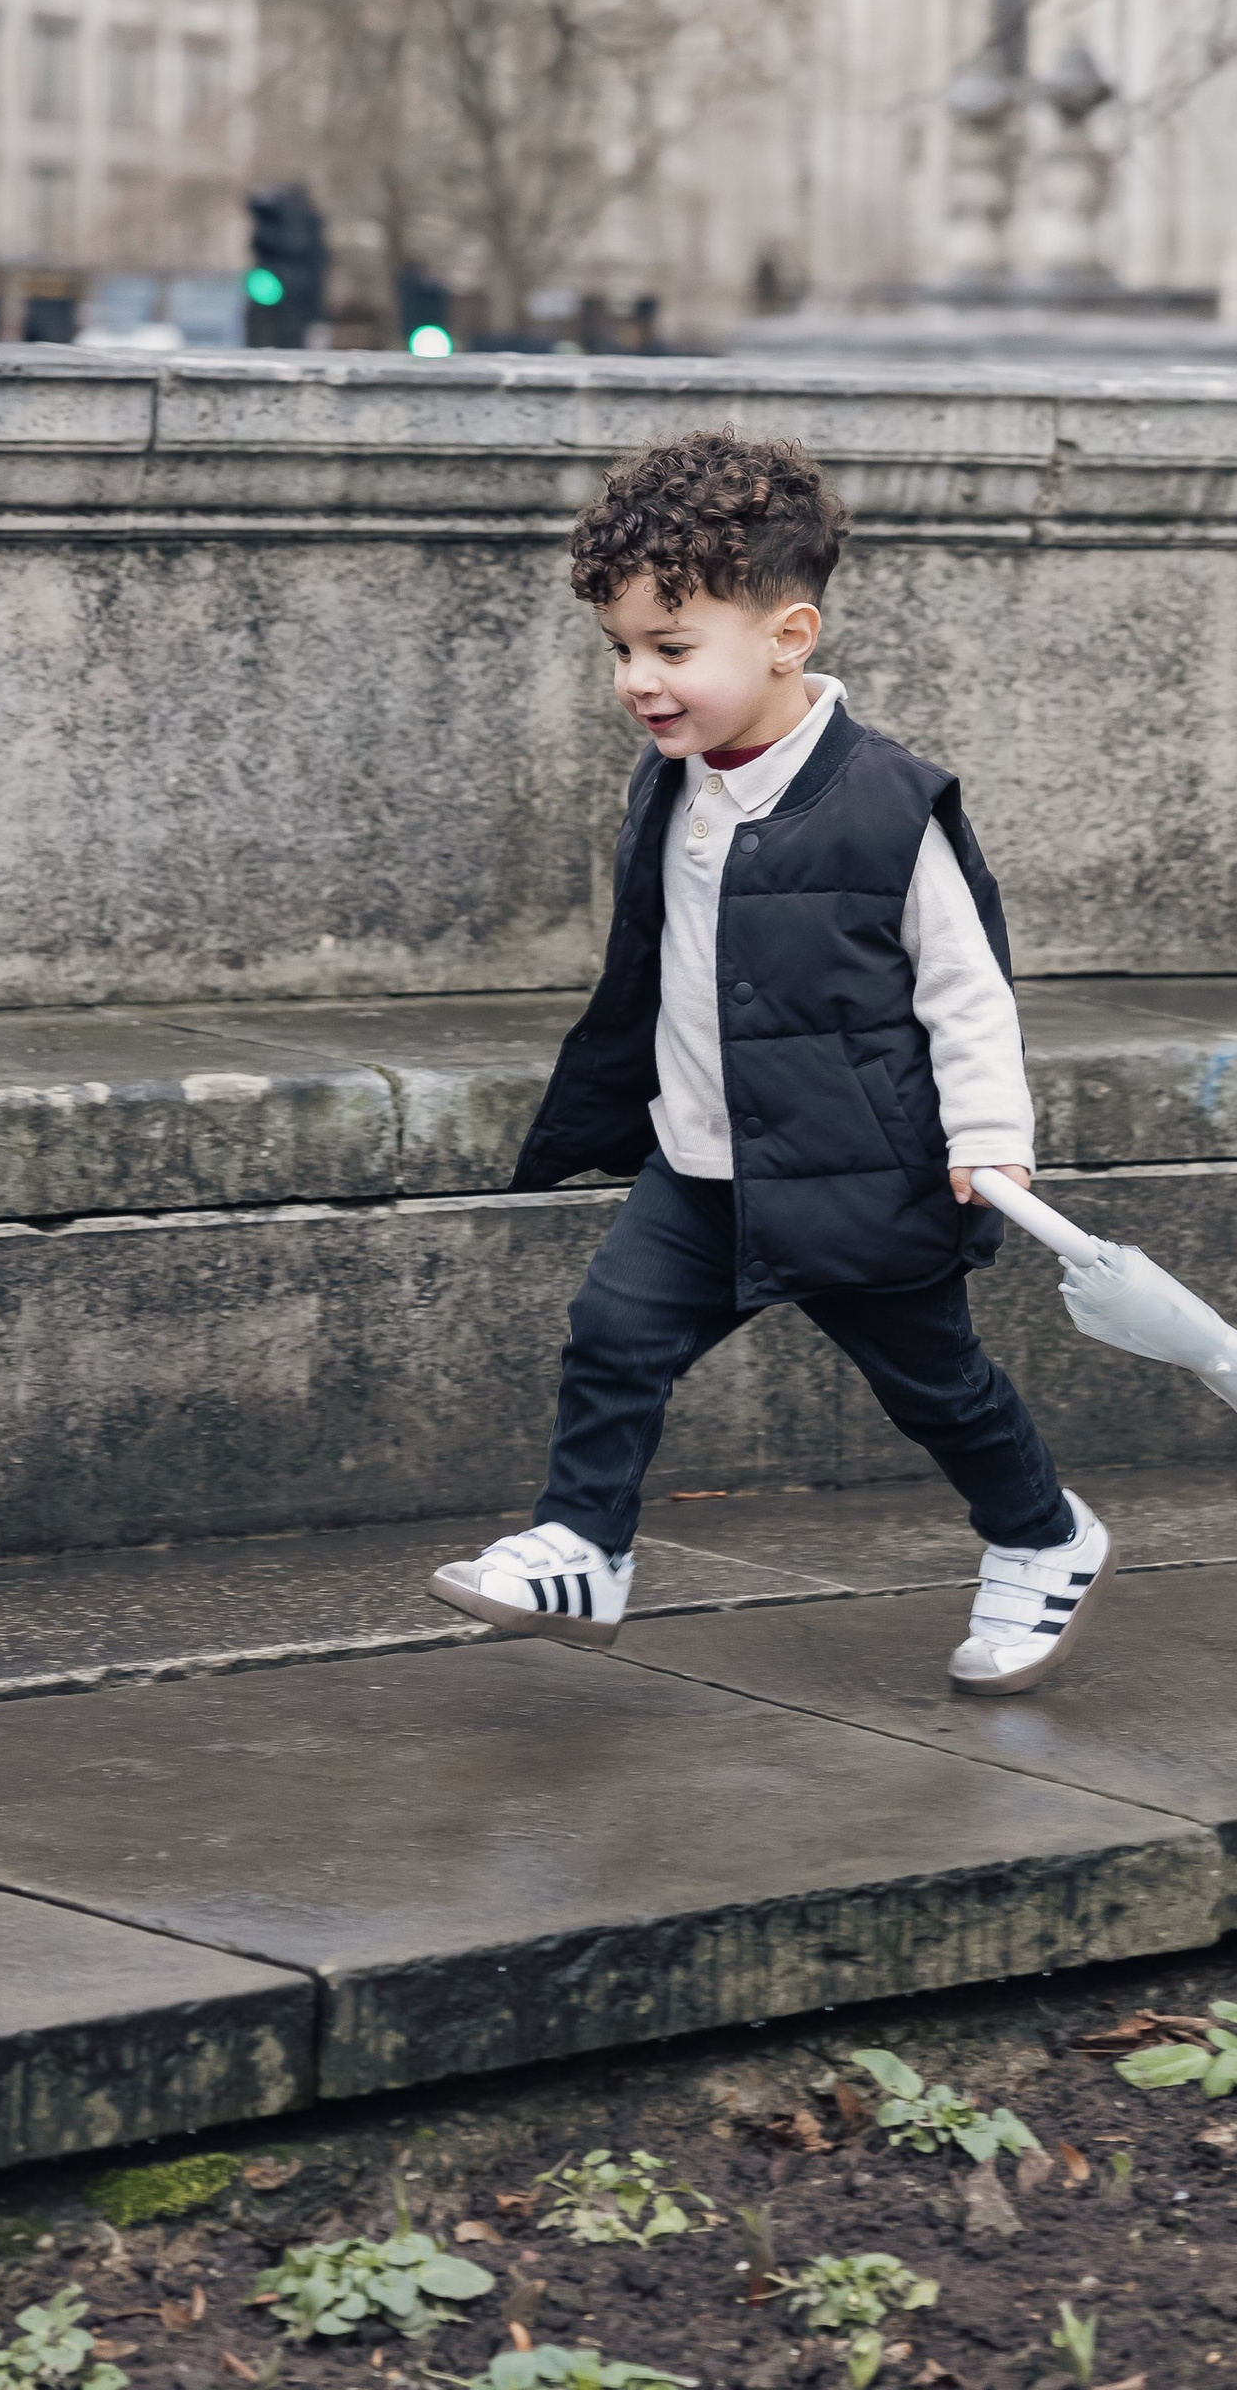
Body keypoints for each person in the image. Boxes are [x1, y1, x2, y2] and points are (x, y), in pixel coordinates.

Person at [430, 426, 1114, 1692]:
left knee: (937, 1388)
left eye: (672, 649)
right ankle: (585, 1544)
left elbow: (967, 990)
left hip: (862, 1168)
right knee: (613, 1333)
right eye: (621, 649)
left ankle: (1042, 1537)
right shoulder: (674, 780)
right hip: (699, 1162)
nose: (640, 679)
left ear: (788, 637)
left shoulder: (887, 804)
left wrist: (986, 1139)